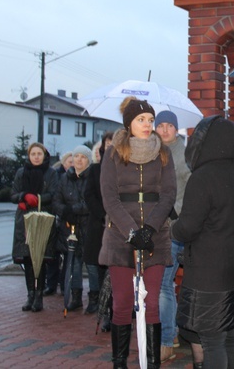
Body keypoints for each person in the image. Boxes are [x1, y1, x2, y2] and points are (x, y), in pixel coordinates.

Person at [172, 116, 234, 369]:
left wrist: (171, 230)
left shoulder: (202, 177)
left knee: (211, 341)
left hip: (209, 275)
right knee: (232, 335)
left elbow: (187, 227)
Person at [100, 97, 176, 369]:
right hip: (120, 237)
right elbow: (109, 198)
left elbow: (168, 195)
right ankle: (119, 363)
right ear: (129, 123)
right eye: (141, 120)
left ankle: (152, 363)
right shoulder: (113, 154)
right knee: (121, 305)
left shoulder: (163, 154)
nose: (147, 125)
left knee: (153, 304)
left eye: (150, 120)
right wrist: (132, 232)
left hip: (155, 237)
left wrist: (149, 229)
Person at [155, 110, 191, 363]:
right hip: (153, 226)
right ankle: (172, 333)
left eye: (169, 125)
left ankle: (167, 340)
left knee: (164, 283)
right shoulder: (151, 151)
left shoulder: (186, 152)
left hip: (176, 226)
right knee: (158, 283)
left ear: (176, 128)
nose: (165, 129)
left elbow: (195, 187)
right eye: (161, 125)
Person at [10, 142, 59, 313]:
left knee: (40, 258)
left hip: (43, 219)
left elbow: (53, 194)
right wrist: (23, 196)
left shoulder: (51, 173)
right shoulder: (21, 172)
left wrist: (37, 199)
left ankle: (39, 296)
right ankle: (30, 294)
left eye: (39, 154)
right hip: (24, 219)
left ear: (44, 155)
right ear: (29, 155)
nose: (36, 157)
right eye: (33, 154)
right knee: (28, 259)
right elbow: (13, 194)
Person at [53, 145, 101, 314]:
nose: (79, 160)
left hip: (89, 227)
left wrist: (74, 210)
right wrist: (65, 212)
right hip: (70, 228)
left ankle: (95, 298)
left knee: (92, 265)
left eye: (83, 157)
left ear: (88, 160)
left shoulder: (93, 177)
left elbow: (92, 201)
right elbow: (56, 200)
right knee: (73, 264)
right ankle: (75, 297)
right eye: (76, 156)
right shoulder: (65, 178)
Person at [83, 140, 109, 321]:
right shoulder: (94, 170)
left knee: (113, 270)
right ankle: (98, 301)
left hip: (117, 226)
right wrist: (102, 214)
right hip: (97, 224)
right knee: (95, 265)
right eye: (107, 146)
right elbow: (89, 194)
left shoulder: (123, 169)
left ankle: (109, 308)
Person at [45, 152, 74, 296]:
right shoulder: (58, 177)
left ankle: (63, 285)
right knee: (53, 255)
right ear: (64, 163)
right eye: (69, 162)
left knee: (68, 255)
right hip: (56, 220)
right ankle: (51, 284)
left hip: (67, 221)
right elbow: (55, 197)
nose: (72, 164)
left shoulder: (74, 178)